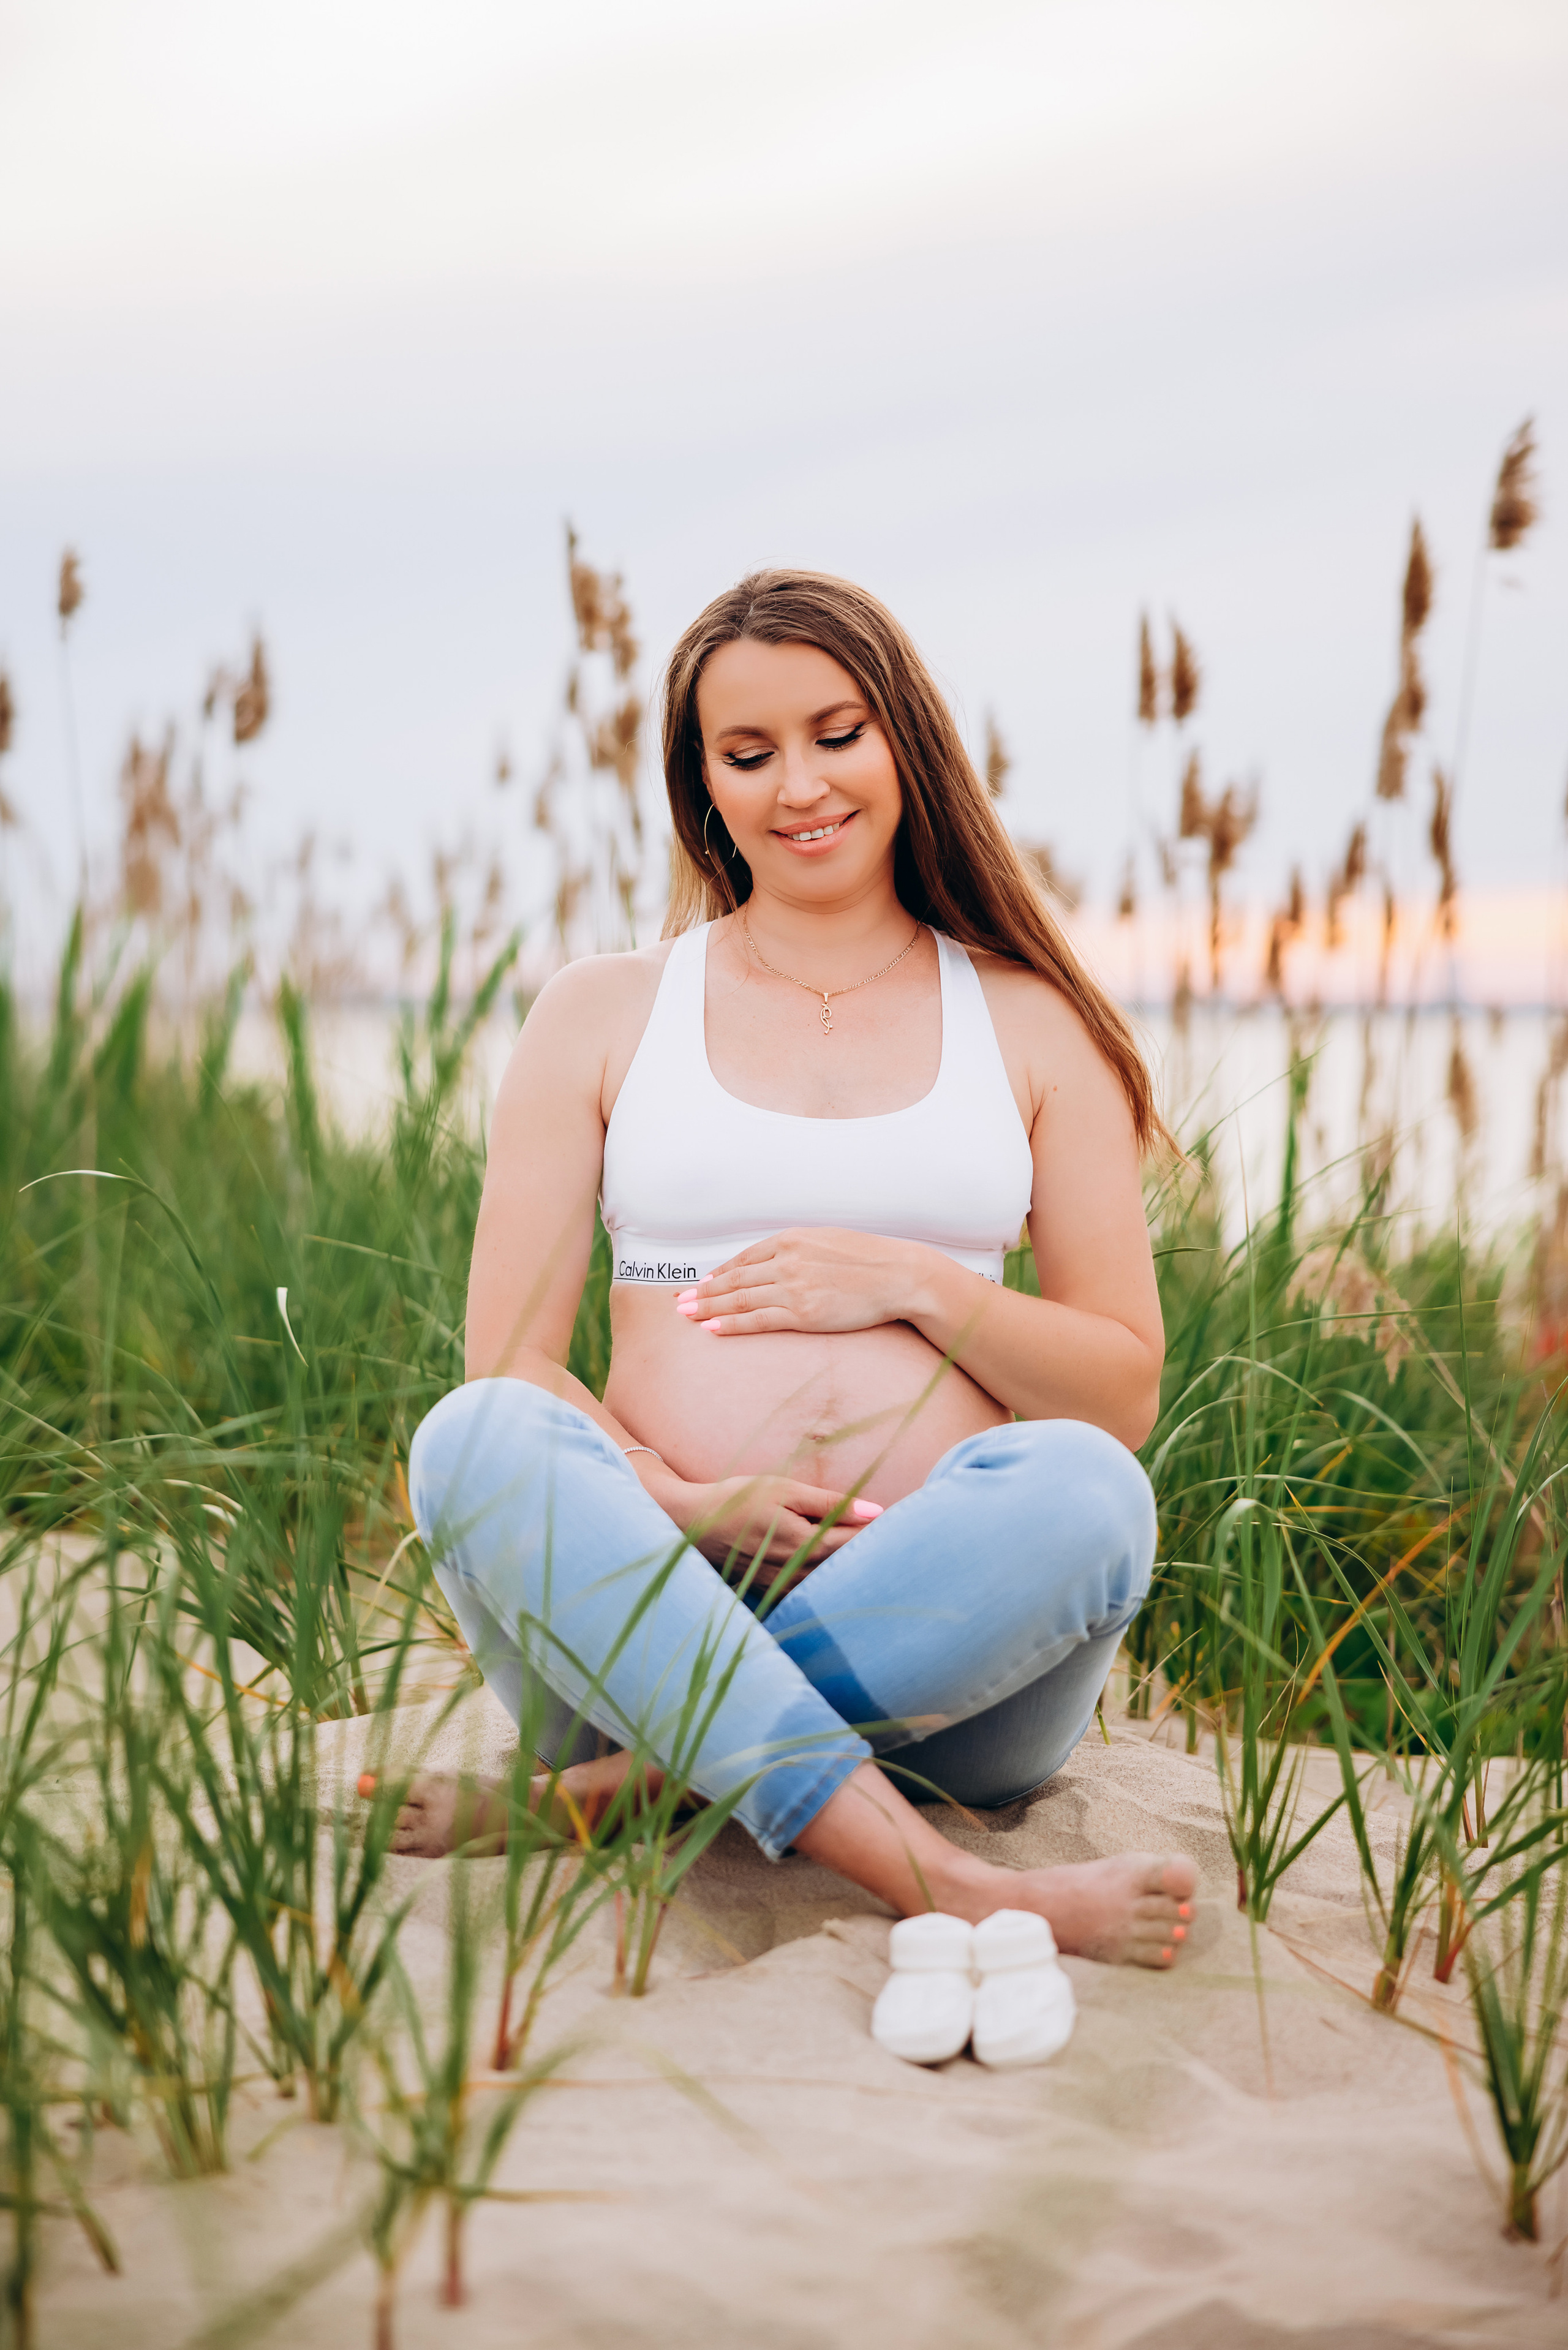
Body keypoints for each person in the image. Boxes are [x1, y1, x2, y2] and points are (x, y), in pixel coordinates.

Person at [396, 568, 1197, 1968]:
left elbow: (1118, 1385)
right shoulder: (600, 1010)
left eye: (835, 733)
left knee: (1090, 1489)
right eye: (747, 752)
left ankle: (635, 1791)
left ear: (904, 738)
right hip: (641, 1618)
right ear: (700, 781)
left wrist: (917, 1281)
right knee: (474, 1437)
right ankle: (936, 1879)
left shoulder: (1028, 1019)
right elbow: (510, 1362)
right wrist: (694, 1504)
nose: (799, 784)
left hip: (955, 1678)